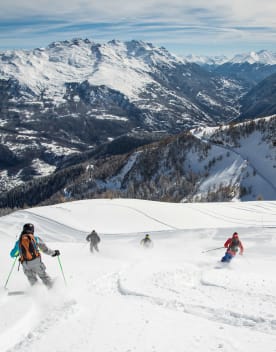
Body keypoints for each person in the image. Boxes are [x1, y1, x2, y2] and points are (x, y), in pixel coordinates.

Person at [10, 223, 60, 288]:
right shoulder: (35, 238)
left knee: (31, 279)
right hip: (36, 262)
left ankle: (36, 292)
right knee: (43, 276)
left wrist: (17, 253)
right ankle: (53, 289)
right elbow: (45, 250)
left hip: (25, 264)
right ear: (32, 230)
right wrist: (54, 253)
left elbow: (12, 254)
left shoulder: (19, 241)